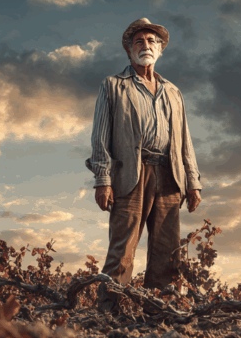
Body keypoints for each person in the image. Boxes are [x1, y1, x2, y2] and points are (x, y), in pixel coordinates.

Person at [85, 17, 204, 313]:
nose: (146, 45)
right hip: (130, 175)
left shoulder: (174, 92)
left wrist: (193, 182)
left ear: (160, 50)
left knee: (167, 252)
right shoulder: (113, 86)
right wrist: (103, 179)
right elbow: (100, 136)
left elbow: (184, 139)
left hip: (169, 176)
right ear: (128, 50)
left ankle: (157, 312)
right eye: (139, 41)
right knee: (122, 251)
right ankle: (109, 313)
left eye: (152, 41)